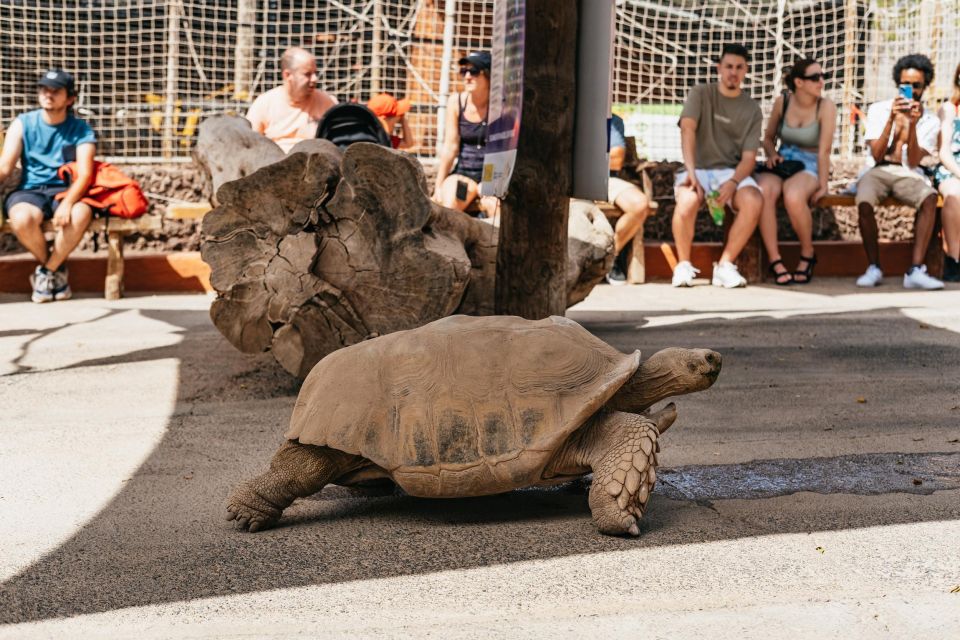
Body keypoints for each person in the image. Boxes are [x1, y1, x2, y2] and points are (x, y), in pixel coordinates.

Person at [671, 44, 764, 288]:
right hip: (697, 166)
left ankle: (725, 265)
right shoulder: (701, 93)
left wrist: (733, 183)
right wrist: (691, 173)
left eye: (739, 67)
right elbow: (687, 130)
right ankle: (682, 265)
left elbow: (749, 158)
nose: (733, 72)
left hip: (731, 172)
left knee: (754, 200)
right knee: (687, 200)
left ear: (746, 71)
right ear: (719, 68)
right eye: (729, 66)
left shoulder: (752, 108)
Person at [0, 69, 96, 303]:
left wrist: (68, 203)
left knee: (80, 213)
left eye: (56, 90)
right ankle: (54, 269)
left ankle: (45, 273)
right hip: (30, 189)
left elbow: (85, 174)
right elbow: (5, 167)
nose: (48, 94)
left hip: (65, 189)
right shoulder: (23, 123)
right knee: (22, 218)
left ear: (70, 98)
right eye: (44, 89)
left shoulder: (82, 129)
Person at [855, 53, 943, 290]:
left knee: (930, 197)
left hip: (908, 172)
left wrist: (912, 125)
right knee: (863, 200)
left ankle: (915, 270)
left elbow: (914, 161)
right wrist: (892, 119)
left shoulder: (931, 120)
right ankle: (873, 266)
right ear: (897, 83)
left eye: (917, 86)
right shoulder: (879, 109)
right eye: (906, 85)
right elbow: (876, 154)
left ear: (925, 86)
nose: (912, 90)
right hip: (879, 169)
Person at [755, 58, 837, 285]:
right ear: (799, 82)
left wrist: (823, 184)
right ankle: (775, 260)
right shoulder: (783, 102)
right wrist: (772, 156)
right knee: (763, 190)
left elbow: (824, 151)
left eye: (823, 76)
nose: (821, 82)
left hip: (810, 161)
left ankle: (807, 254)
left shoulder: (826, 106)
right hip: (784, 159)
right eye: (814, 78)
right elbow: (768, 139)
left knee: (793, 195)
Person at [433, 51, 498, 220]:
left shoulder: (499, 106)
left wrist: (492, 183)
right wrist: (438, 186)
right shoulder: (457, 102)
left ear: (489, 75)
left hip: (491, 176)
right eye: (464, 71)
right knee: (449, 205)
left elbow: (504, 148)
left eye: (474, 71)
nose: (467, 77)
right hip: (464, 174)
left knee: (495, 208)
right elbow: (450, 147)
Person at [246, 47, 338, 153]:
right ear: (287, 75)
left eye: (315, 73)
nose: (315, 79)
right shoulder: (265, 103)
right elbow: (249, 143)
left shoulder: (327, 102)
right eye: (307, 74)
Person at [605, 112, 651, 285]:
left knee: (640, 204)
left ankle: (608, 258)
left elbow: (616, 159)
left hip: (606, 178)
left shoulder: (613, 121)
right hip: (568, 180)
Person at [934, 62, 960, 282]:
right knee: (954, 193)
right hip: (952, 169)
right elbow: (944, 152)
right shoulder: (950, 109)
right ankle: (954, 259)